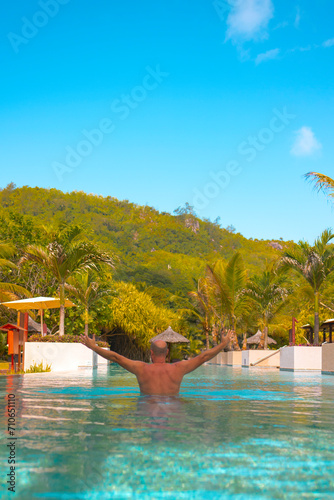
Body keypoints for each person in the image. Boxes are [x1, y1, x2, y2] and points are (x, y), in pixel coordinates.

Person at [80, 330, 232, 396]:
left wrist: (94, 346)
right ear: (167, 353)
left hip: (147, 406)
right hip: (173, 407)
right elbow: (203, 357)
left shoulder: (140, 368)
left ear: (151, 353)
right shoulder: (179, 368)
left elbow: (115, 357)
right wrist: (223, 344)